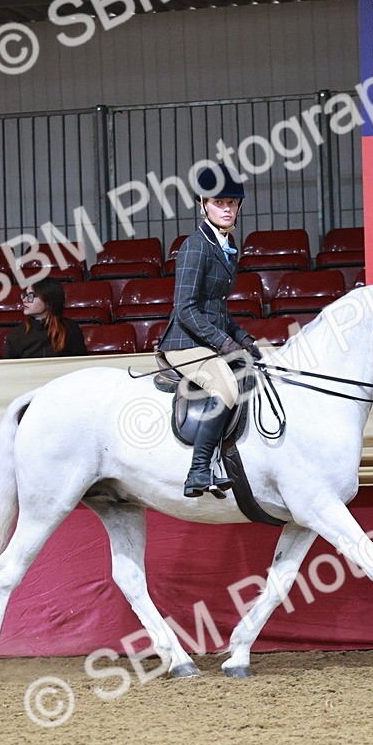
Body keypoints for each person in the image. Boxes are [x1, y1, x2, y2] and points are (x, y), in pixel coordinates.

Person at [158, 165, 261, 499]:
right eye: (219, 202)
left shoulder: (228, 246)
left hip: (207, 340)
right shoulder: (195, 246)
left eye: (232, 202)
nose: (227, 208)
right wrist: (224, 342)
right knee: (226, 385)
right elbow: (185, 308)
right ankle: (199, 469)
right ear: (203, 205)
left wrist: (242, 337)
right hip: (185, 342)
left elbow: (216, 307)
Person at [4, 277, 87, 358]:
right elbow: (9, 369)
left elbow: (81, 364)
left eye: (31, 295)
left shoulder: (70, 329)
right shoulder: (16, 334)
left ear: (49, 301)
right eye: (25, 295)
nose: (25, 300)